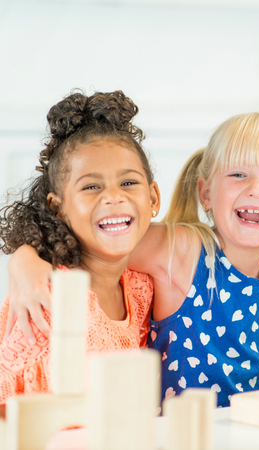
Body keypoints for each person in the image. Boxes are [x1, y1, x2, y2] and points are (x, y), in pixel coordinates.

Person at [6, 112, 259, 407]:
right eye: (238, 175)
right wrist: (23, 261)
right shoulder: (182, 251)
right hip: (192, 436)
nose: (258, 189)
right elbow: (94, 237)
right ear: (205, 193)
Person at [0, 90, 160, 416]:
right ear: (57, 208)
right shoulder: (47, 296)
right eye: (91, 186)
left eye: (128, 183)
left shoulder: (142, 289)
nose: (114, 197)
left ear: (153, 198)